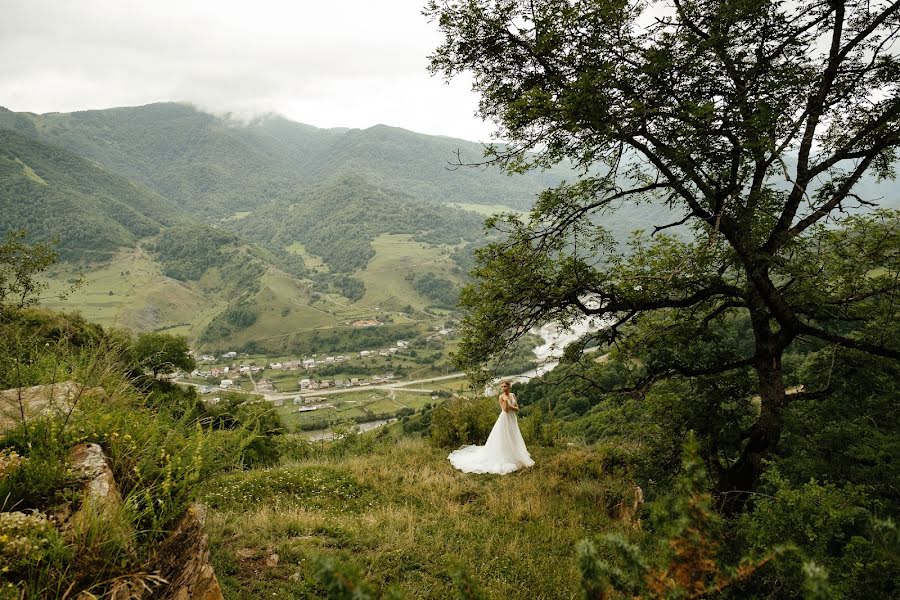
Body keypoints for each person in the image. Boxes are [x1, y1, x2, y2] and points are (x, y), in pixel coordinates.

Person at [448, 380, 535, 474]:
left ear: (509, 387)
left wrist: (511, 407)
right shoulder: (501, 397)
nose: (503, 388)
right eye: (502, 387)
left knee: (513, 436)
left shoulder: (513, 395)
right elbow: (505, 410)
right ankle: (504, 455)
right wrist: (507, 404)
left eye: (505, 386)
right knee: (504, 437)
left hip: (512, 419)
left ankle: (515, 454)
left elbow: (517, 409)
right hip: (505, 419)